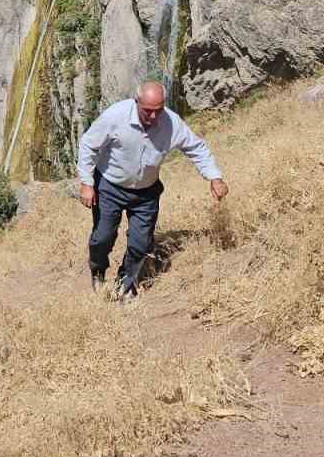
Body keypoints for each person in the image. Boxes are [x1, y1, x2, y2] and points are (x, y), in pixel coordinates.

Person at [77, 80, 227, 297]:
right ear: (136, 101)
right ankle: (98, 271)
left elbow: (196, 148)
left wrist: (214, 177)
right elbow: (88, 144)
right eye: (148, 111)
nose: (154, 116)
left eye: (159, 110)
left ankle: (125, 284)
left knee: (140, 243)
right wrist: (86, 183)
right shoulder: (115, 116)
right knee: (102, 237)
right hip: (109, 186)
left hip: (146, 193)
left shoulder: (171, 123)